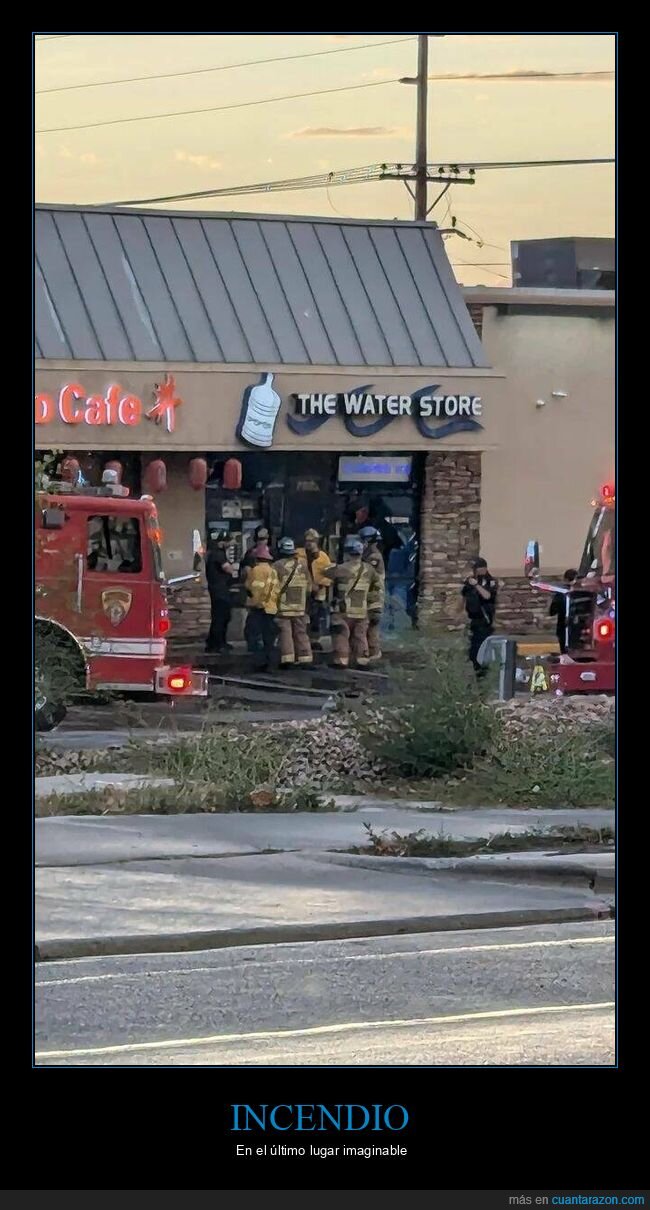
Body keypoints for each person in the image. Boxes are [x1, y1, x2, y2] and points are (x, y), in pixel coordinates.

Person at [322, 536, 382, 669]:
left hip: (343, 611)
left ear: (347, 553)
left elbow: (325, 573)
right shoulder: (369, 570)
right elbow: (375, 590)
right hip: (361, 611)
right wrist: (374, 609)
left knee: (341, 634)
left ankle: (341, 660)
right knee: (360, 635)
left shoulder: (340, 569)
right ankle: (362, 660)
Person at [273, 538, 313, 667]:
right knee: (301, 632)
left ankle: (287, 659)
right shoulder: (302, 566)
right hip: (300, 606)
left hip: (283, 607)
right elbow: (309, 587)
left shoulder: (277, 566)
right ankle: (305, 657)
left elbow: (272, 586)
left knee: (285, 633)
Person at [243, 543, 279, 670]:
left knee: (253, 634)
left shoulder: (255, 570)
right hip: (272, 608)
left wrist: (254, 602)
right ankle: (270, 664)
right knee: (269, 637)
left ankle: (259, 662)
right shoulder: (273, 571)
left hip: (259, 607)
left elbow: (252, 588)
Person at [461, 557, 498, 674]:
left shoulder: (490, 581)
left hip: (484, 622)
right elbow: (464, 598)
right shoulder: (470, 582)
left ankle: (483, 676)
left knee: (482, 653)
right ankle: (477, 675)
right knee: (473, 653)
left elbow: (487, 596)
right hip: (474, 622)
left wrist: (476, 585)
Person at [296, 528, 332, 649]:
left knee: (316, 618)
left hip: (318, 594)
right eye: (307, 540)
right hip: (303, 593)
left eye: (312, 541)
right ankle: (303, 640)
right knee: (302, 618)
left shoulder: (323, 557)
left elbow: (329, 575)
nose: (309, 543)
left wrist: (320, 585)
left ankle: (314, 640)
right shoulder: (298, 556)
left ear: (317, 542)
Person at [205, 530, 235, 654]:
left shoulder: (214, 553)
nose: (231, 544)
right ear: (222, 542)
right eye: (229, 541)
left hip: (218, 590)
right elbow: (228, 569)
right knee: (221, 617)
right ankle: (217, 644)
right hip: (220, 591)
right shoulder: (218, 554)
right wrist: (233, 568)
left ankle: (215, 643)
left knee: (221, 617)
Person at [359, 526, 385, 661]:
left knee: (367, 625)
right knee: (369, 626)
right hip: (370, 597)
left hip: (372, 598)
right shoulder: (371, 555)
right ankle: (372, 652)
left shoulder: (373, 557)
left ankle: (371, 653)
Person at [549, 568, 579, 654]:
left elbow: (552, 611)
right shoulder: (581, 592)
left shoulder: (560, 594)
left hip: (565, 628)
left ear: (565, 579)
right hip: (574, 628)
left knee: (565, 651)